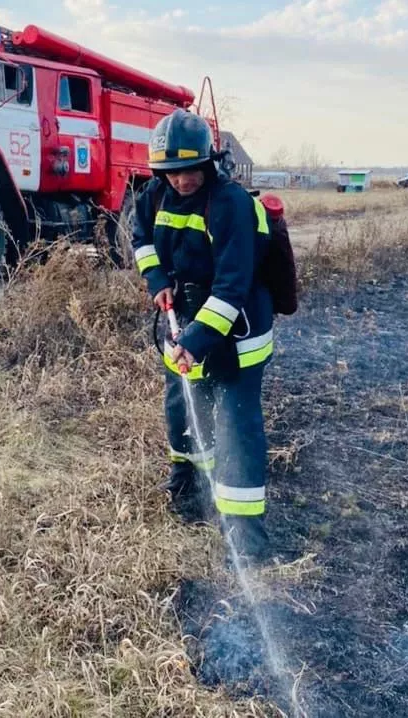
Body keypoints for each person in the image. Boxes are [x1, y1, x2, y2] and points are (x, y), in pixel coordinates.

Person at [130, 108, 274, 562]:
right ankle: (188, 482)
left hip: (237, 334)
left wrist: (194, 344)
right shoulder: (154, 195)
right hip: (186, 323)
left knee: (235, 425)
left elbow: (233, 289)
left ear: (208, 163)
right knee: (181, 406)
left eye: (190, 171)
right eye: (171, 173)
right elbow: (141, 241)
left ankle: (246, 534)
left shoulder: (231, 204)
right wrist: (158, 283)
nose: (181, 182)